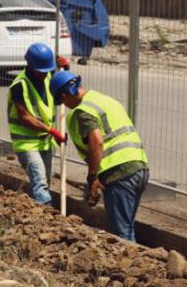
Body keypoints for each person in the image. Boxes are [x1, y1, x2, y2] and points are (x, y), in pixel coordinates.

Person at [50, 70, 149, 242]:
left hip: (120, 173)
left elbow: (97, 142)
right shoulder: (103, 99)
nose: (64, 105)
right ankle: (135, 262)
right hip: (139, 167)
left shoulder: (83, 111)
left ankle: (126, 266)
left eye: (62, 101)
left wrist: (92, 177)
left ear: (65, 95)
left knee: (121, 233)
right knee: (127, 225)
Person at [6, 43, 70, 205]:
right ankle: (46, 219)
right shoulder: (19, 86)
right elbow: (24, 117)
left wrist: (66, 69)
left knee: (45, 181)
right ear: (30, 65)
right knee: (40, 182)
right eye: (41, 71)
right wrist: (52, 130)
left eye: (47, 71)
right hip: (27, 144)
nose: (44, 74)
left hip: (46, 142)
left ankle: (37, 212)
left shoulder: (48, 77)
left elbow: (66, 89)